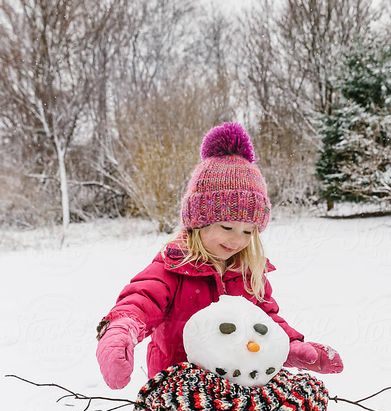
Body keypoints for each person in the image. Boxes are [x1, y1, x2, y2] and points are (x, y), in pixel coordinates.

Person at [96, 122, 343, 391]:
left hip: (237, 390)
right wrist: (120, 331)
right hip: (179, 393)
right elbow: (140, 301)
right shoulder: (174, 267)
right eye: (227, 227)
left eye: (248, 231)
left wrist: (291, 346)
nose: (237, 240)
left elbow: (267, 321)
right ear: (198, 220)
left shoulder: (248, 272)